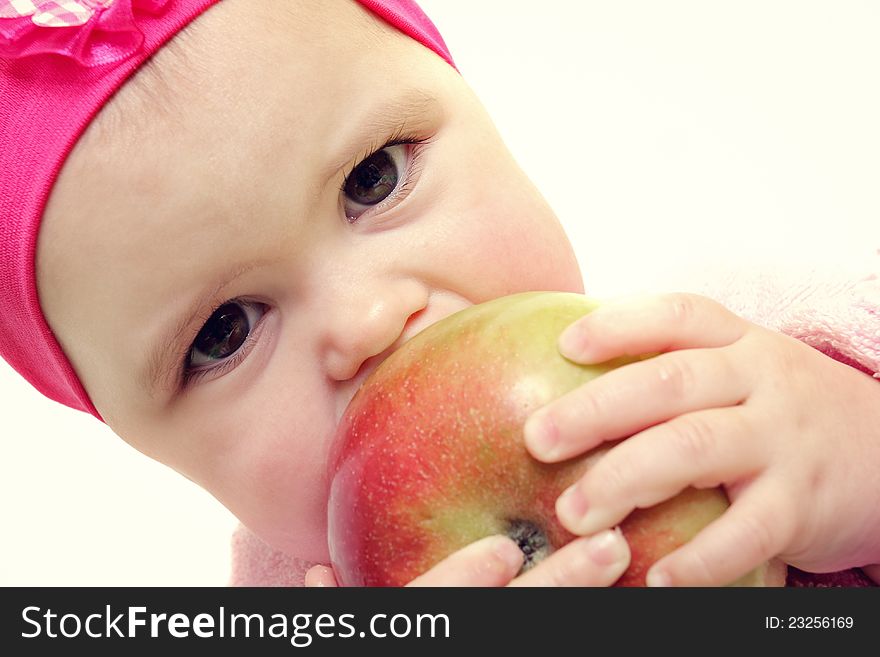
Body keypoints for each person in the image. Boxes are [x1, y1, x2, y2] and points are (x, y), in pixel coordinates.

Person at [1, 0, 878, 587]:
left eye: (374, 178)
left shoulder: (760, 368)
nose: (369, 321)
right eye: (224, 330)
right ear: (131, 435)